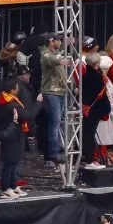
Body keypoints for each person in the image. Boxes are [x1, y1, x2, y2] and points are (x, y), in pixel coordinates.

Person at [40, 33, 72, 166]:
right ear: (51, 42)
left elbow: (59, 53)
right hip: (51, 92)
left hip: (60, 92)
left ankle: (58, 147)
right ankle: (54, 153)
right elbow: (53, 60)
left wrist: (67, 44)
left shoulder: (56, 52)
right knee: (55, 123)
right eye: (58, 40)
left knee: (58, 122)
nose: (60, 42)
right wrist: (61, 61)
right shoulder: (45, 54)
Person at [80, 53, 110, 171]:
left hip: (88, 108)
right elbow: (99, 94)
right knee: (89, 134)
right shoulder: (96, 76)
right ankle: (89, 160)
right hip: (94, 109)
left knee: (88, 133)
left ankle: (90, 159)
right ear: (97, 63)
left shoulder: (85, 75)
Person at [94, 55, 113, 166]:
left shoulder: (105, 80)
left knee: (103, 135)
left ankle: (102, 155)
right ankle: (98, 157)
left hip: (106, 110)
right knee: (101, 135)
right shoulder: (101, 80)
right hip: (102, 111)